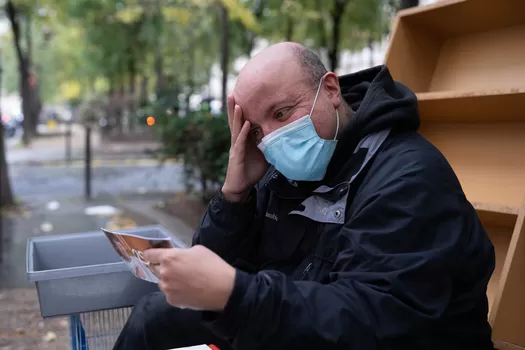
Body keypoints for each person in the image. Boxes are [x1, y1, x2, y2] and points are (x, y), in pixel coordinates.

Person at [113, 42, 496, 350]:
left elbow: (375, 321)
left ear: (330, 90)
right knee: (156, 316)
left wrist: (236, 296)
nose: (273, 138)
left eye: (281, 113)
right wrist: (235, 196)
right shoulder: (283, 172)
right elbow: (220, 270)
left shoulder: (408, 177)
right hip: (297, 324)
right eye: (259, 130)